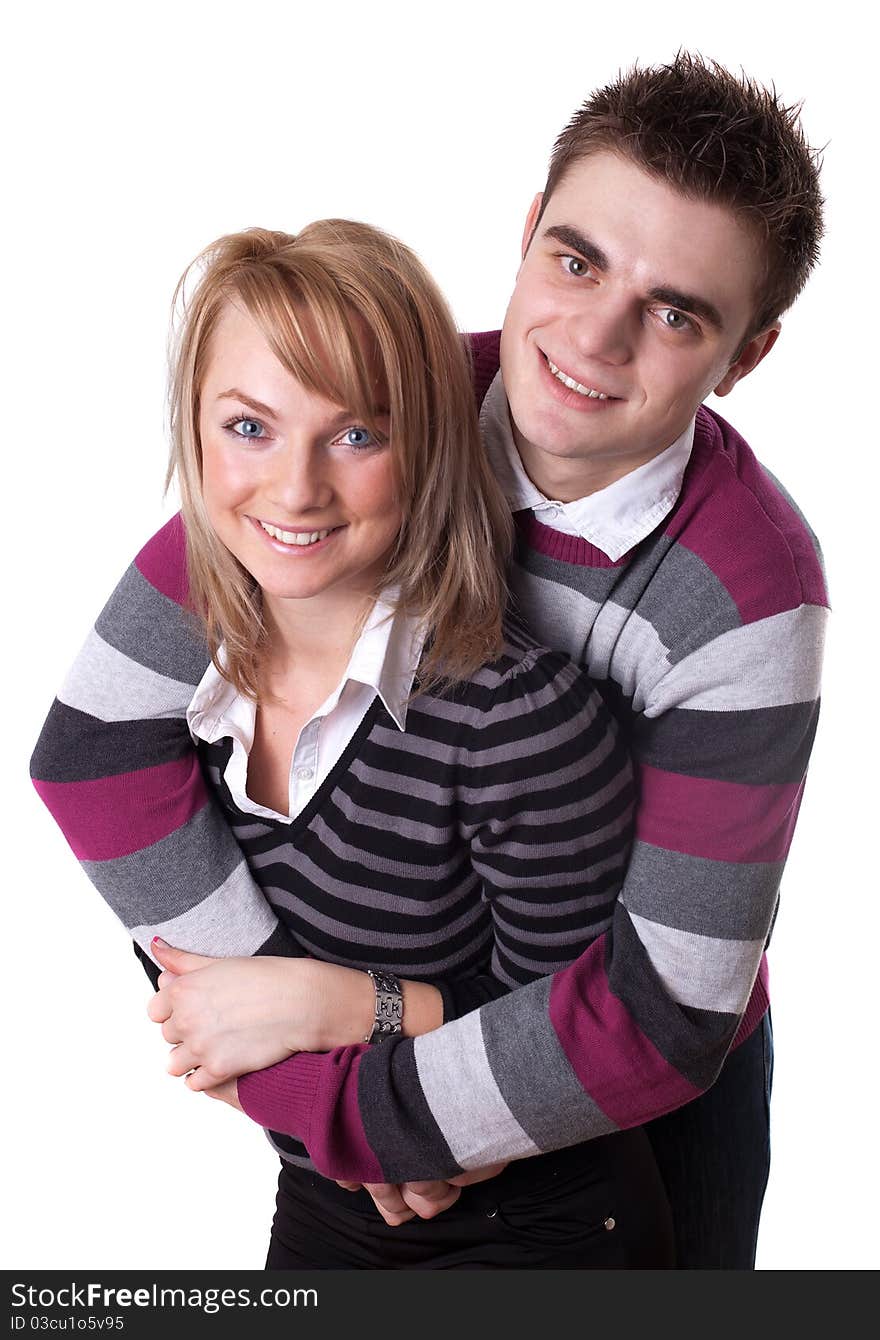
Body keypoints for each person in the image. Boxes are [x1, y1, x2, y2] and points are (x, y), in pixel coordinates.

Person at [30, 53, 828, 1269]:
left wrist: (343, 1106)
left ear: (747, 356)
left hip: (637, 1089)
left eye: (675, 312)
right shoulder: (379, 410)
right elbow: (99, 737)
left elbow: (664, 1010)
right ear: (525, 235)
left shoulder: (746, 595)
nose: (594, 337)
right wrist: (290, 1029)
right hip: (376, 1038)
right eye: (576, 259)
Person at [32, 216, 675, 1269]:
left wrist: (334, 1003)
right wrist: (339, 1115)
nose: (294, 489)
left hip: (539, 1229)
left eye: (356, 434)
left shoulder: (515, 720)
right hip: (328, 1199)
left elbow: (562, 1039)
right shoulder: (174, 709)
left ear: (424, 448)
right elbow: (204, 1002)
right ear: (191, 430)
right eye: (249, 427)